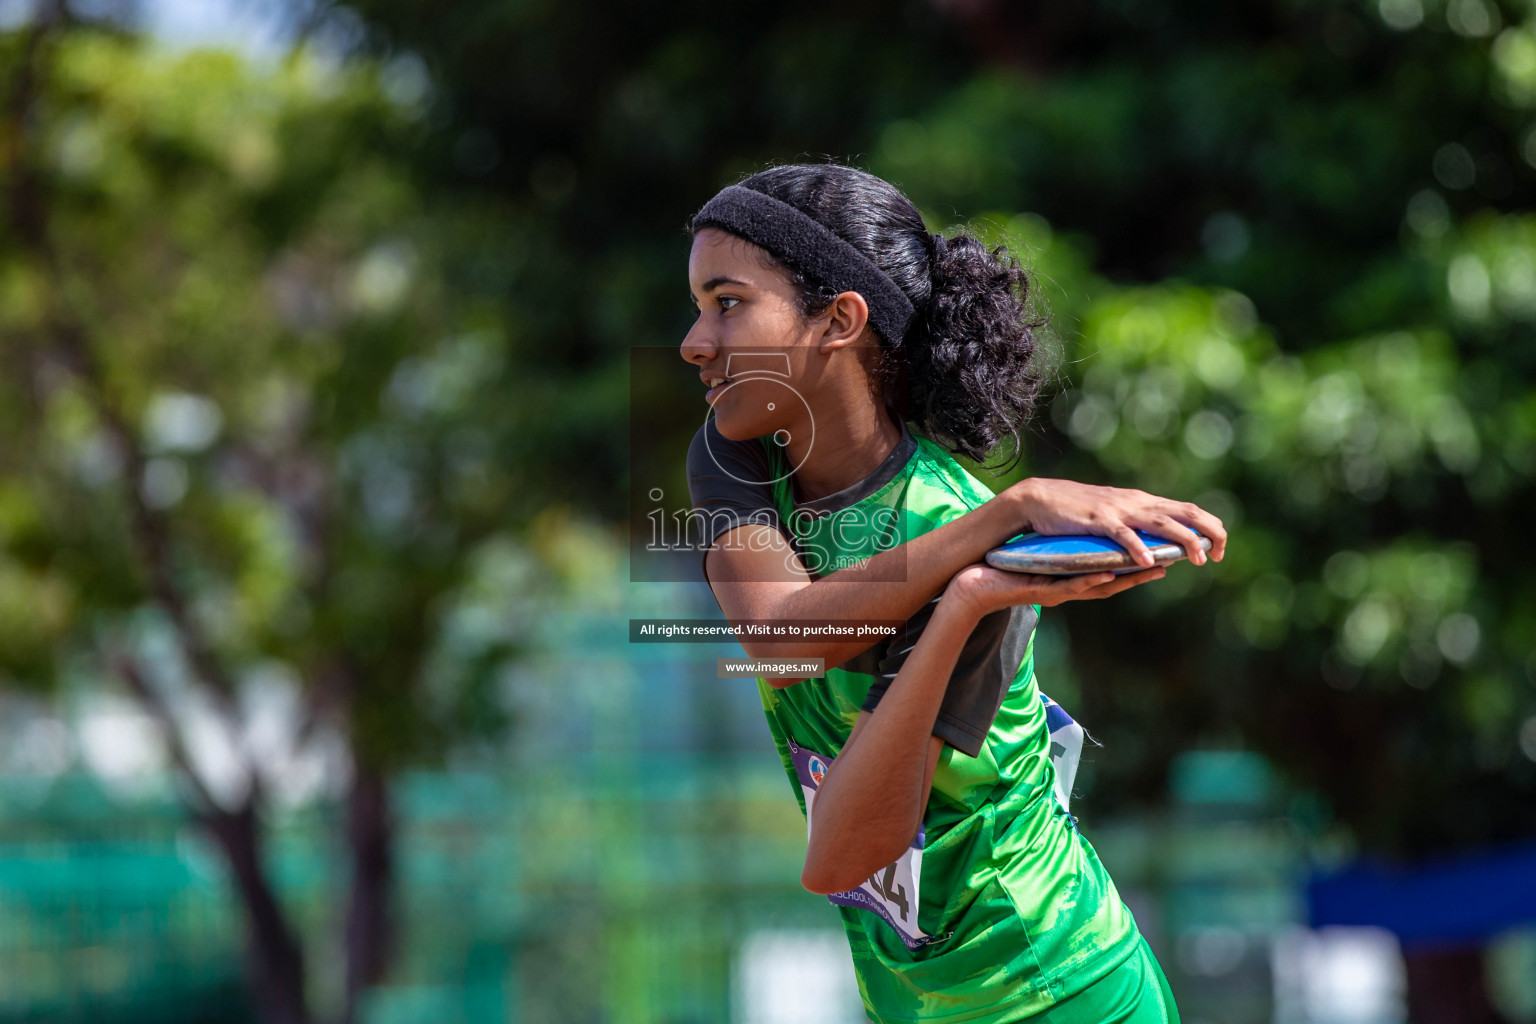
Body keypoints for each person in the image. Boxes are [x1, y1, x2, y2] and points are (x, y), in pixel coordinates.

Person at [680, 164, 1225, 1023]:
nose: (693, 341)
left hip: (1059, 989)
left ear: (839, 320)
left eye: (728, 303)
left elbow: (844, 857)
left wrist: (969, 596)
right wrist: (996, 525)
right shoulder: (737, 454)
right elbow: (783, 638)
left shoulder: (962, 539)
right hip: (914, 1001)